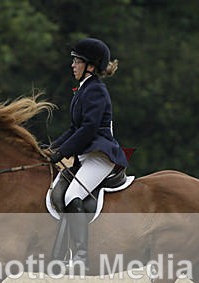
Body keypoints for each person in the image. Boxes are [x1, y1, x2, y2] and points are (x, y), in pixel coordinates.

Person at [49, 37, 128, 269]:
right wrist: (52, 149)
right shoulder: (83, 90)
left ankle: (81, 256)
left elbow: (89, 128)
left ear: (90, 66)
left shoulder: (96, 91)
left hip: (100, 156)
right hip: (86, 156)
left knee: (72, 195)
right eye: (73, 61)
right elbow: (74, 128)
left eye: (77, 61)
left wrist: (62, 152)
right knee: (58, 192)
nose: (72, 65)